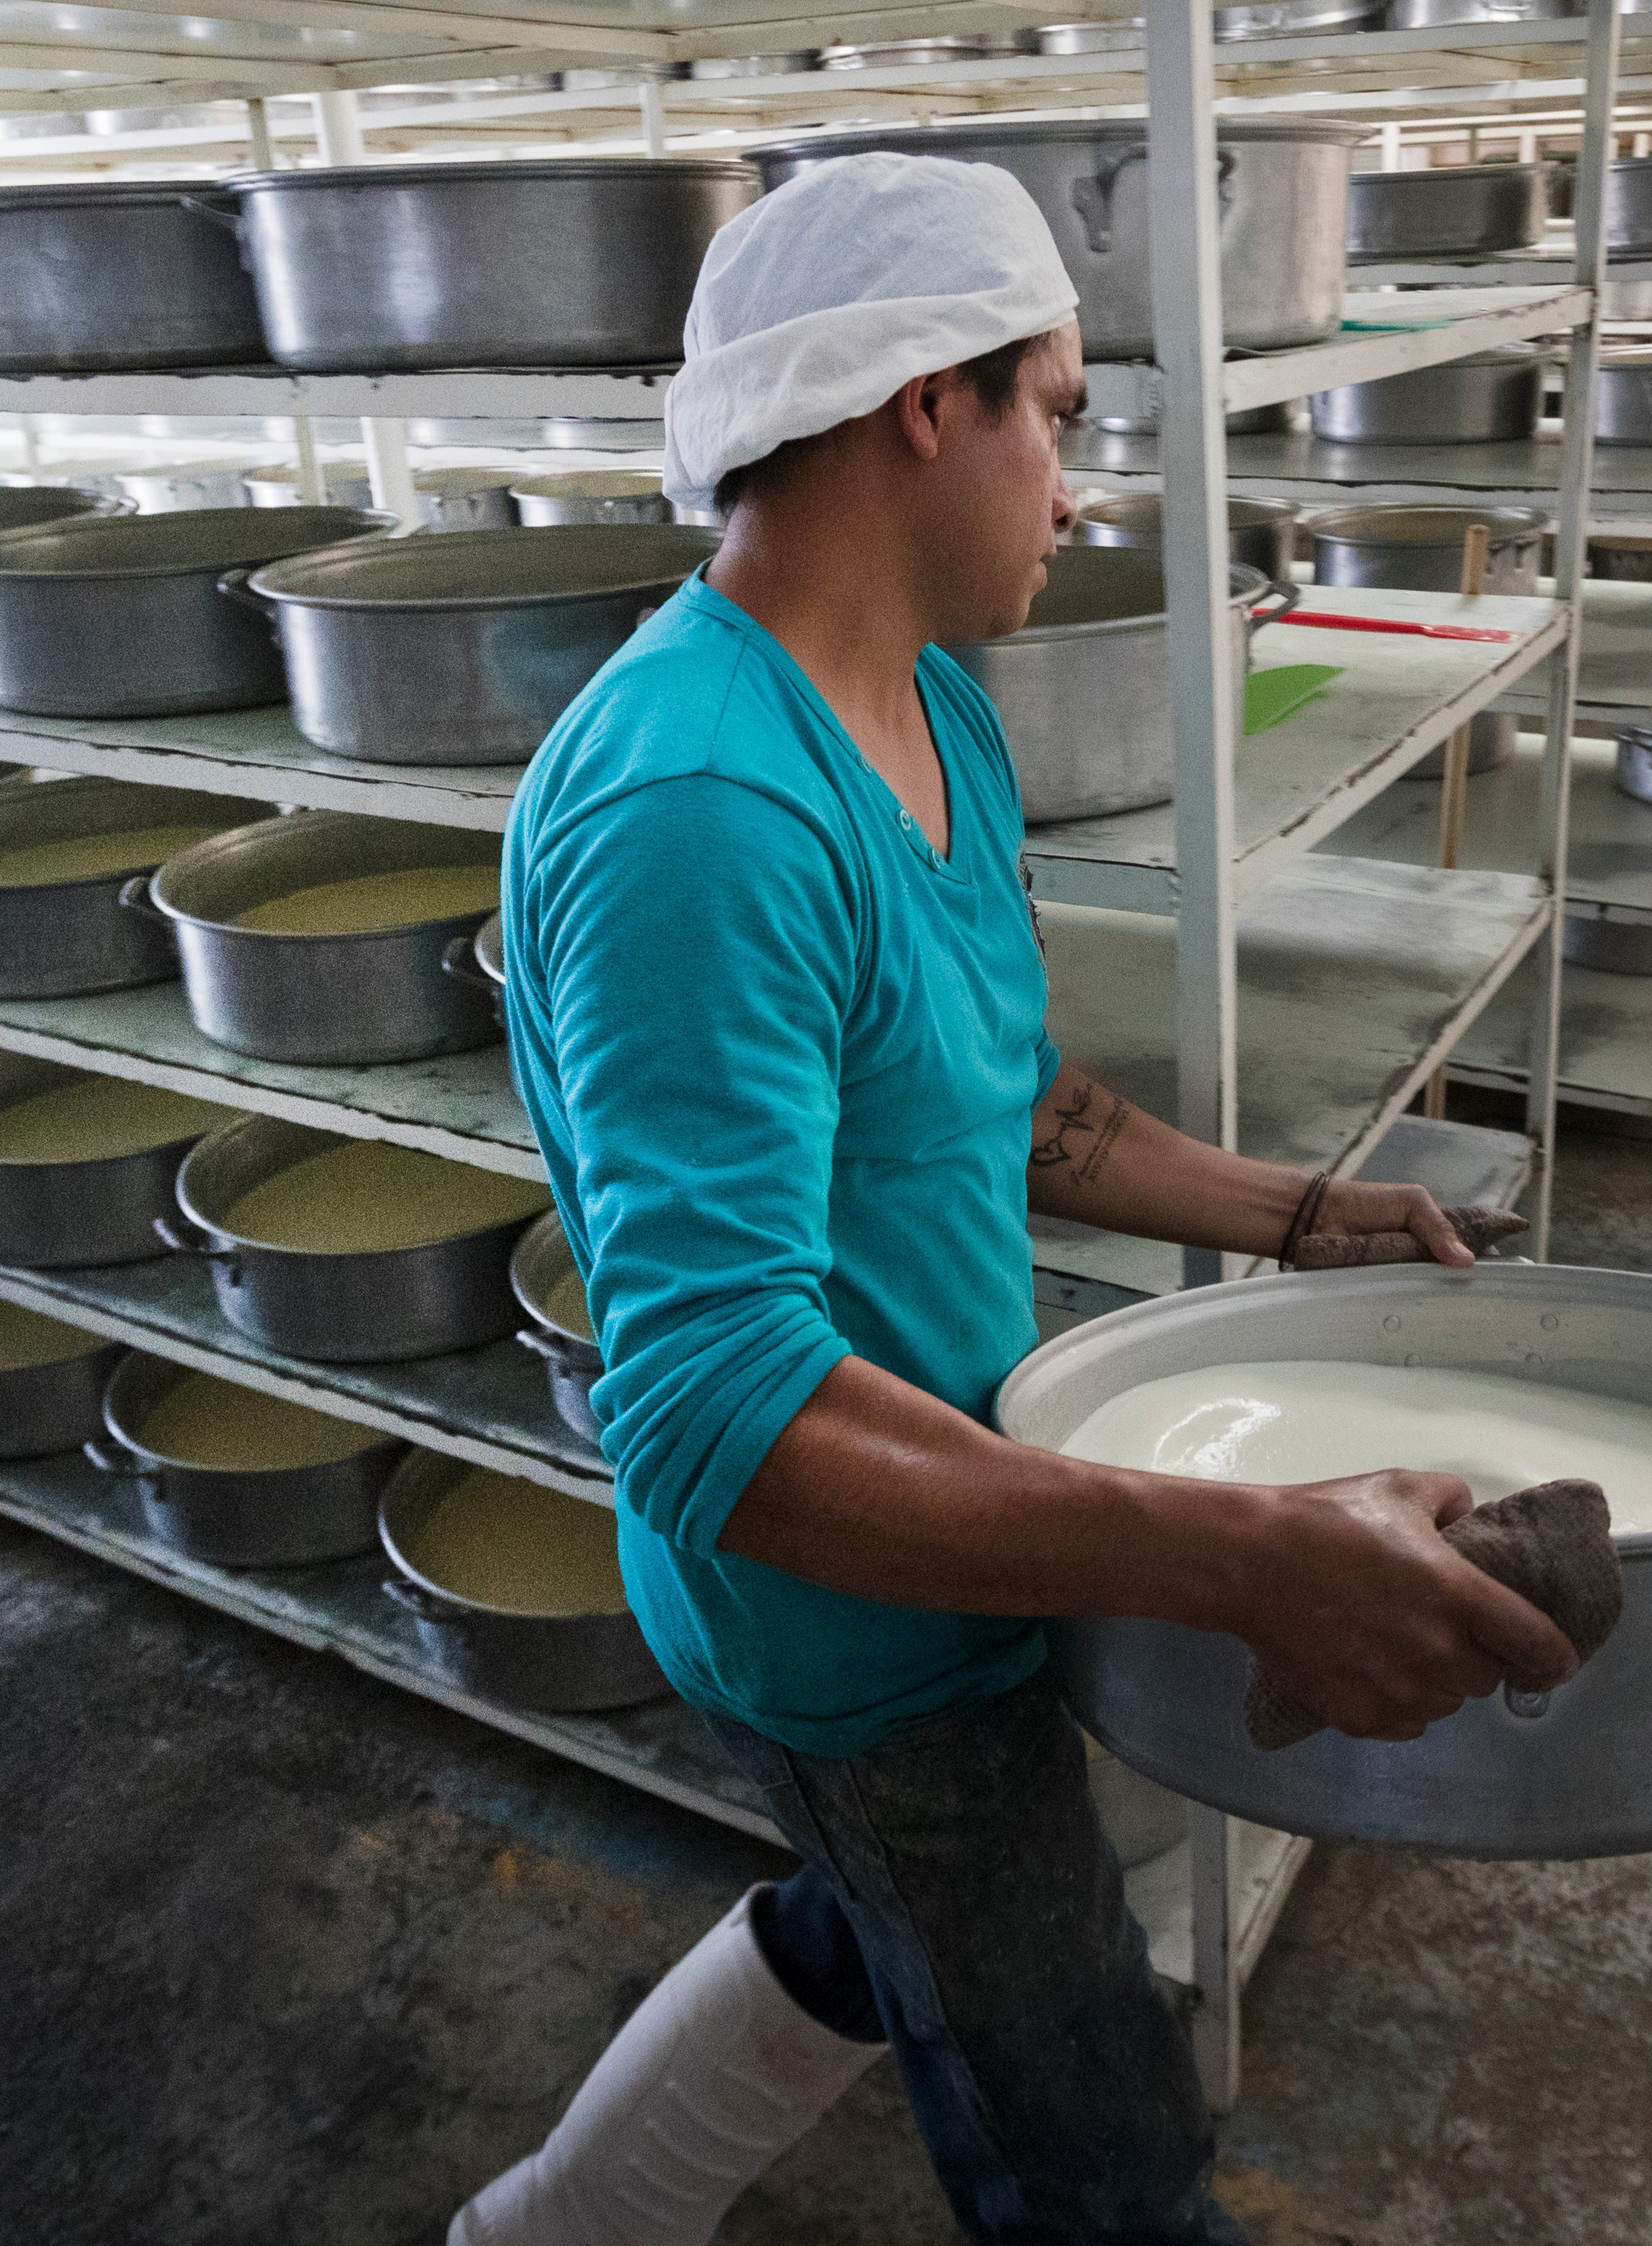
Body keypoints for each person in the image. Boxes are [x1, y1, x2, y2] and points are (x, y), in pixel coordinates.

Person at [452, 152, 1581, 2246]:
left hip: (977, 1495)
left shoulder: (931, 710)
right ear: (921, 405)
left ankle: (563, 2222)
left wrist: (1293, 1215)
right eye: (1055, 411)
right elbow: (713, 1413)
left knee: (888, 1927)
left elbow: (998, 1109)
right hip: (850, 1612)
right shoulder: (697, 804)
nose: (1070, 489)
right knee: (1097, 2143)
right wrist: (1236, 1557)